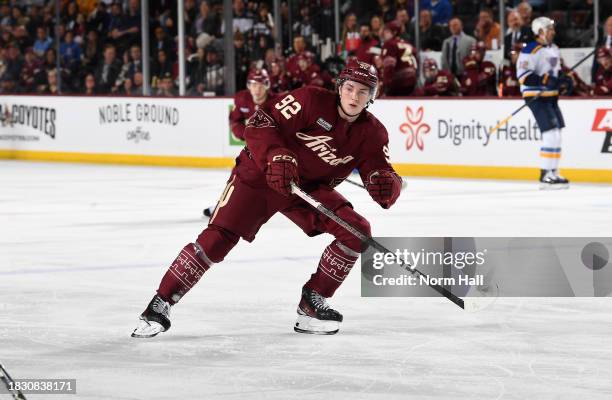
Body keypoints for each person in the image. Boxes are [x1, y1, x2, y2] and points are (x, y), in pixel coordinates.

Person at [132, 60, 403, 338]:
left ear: (372, 96)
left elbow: (381, 170)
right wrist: (276, 154)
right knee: (217, 240)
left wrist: (386, 184)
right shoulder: (309, 99)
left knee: (356, 231)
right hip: (258, 175)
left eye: (362, 91)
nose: (354, 97)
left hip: (305, 188)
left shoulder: (373, 133)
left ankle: (312, 303)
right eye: (350, 88)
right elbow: (262, 123)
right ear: (339, 87)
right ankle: (160, 303)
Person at [516, 17, 569, 189]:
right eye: (549, 29)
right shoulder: (530, 50)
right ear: (540, 32)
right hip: (536, 96)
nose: (553, 32)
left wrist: (564, 80)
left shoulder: (554, 48)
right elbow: (523, 77)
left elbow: (557, 71)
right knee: (550, 133)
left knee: (558, 133)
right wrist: (546, 80)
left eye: (553, 29)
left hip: (551, 96)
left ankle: (553, 171)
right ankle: (545, 173)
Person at [381, 20, 418, 96]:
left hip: (398, 84)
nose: (384, 34)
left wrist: (386, 85)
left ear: (394, 32)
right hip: (412, 83)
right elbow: (416, 62)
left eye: (387, 31)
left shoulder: (390, 44)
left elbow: (389, 66)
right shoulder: (408, 44)